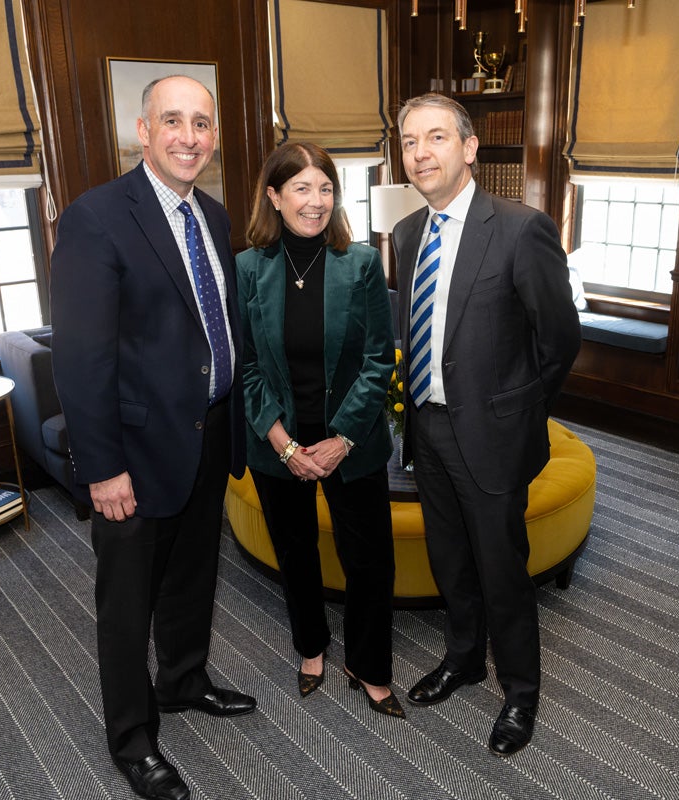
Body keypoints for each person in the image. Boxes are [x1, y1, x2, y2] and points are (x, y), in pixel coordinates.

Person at [50, 75, 255, 800]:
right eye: (174, 121)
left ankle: (184, 679)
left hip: (207, 437)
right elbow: (81, 358)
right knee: (127, 603)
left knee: (193, 578)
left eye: (202, 123)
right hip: (131, 457)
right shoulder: (97, 218)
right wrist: (102, 467)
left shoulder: (217, 216)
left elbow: (212, 328)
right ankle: (133, 742)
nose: (190, 136)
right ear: (144, 131)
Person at [392, 93, 582, 756]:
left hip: (493, 437)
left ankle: (520, 692)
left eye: (436, 137)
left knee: (504, 572)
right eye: (410, 140)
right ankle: (464, 658)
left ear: (469, 148)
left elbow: (559, 338)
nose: (421, 152)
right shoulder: (407, 234)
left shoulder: (520, 228)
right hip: (429, 431)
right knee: (451, 562)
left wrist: (517, 411)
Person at [236, 142, 402, 718]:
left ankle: (370, 664)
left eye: (325, 187)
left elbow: (380, 360)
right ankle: (311, 648)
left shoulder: (359, 263)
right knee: (297, 553)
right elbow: (248, 364)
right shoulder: (248, 268)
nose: (316, 201)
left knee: (370, 559)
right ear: (274, 197)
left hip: (350, 444)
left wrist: (342, 440)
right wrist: (282, 443)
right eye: (302, 188)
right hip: (278, 445)